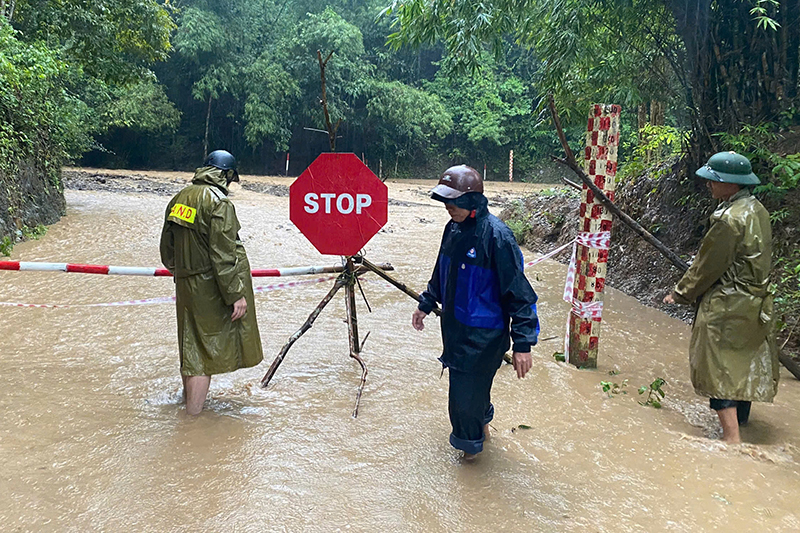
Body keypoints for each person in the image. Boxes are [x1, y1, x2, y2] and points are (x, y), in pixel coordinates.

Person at [412, 165, 539, 460]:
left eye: (454, 201)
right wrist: (426, 303)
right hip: (455, 333)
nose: (448, 207)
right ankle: (482, 433)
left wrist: (523, 345)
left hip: (484, 340)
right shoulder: (452, 230)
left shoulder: (497, 237)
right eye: (445, 201)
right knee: (473, 395)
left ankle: (470, 463)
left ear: (473, 200)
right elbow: (441, 272)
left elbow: (519, 294)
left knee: (462, 405)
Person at [663, 151, 779, 443]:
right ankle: (742, 424)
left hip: (727, 305)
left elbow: (706, 267)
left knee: (717, 367)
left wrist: (680, 294)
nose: (709, 185)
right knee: (740, 364)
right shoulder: (758, 211)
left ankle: (732, 440)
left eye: (714, 180)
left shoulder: (729, 220)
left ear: (732, 184)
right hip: (755, 304)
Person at [160, 150, 263, 415]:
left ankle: (187, 407)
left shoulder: (179, 198)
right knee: (204, 354)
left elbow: (167, 249)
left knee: (191, 345)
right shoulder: (219, 203)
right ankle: (192, 421)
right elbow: (223, 253)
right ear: (226, 175)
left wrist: (182, 271)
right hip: (210, 287)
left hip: (185, 284)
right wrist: (235, 294)